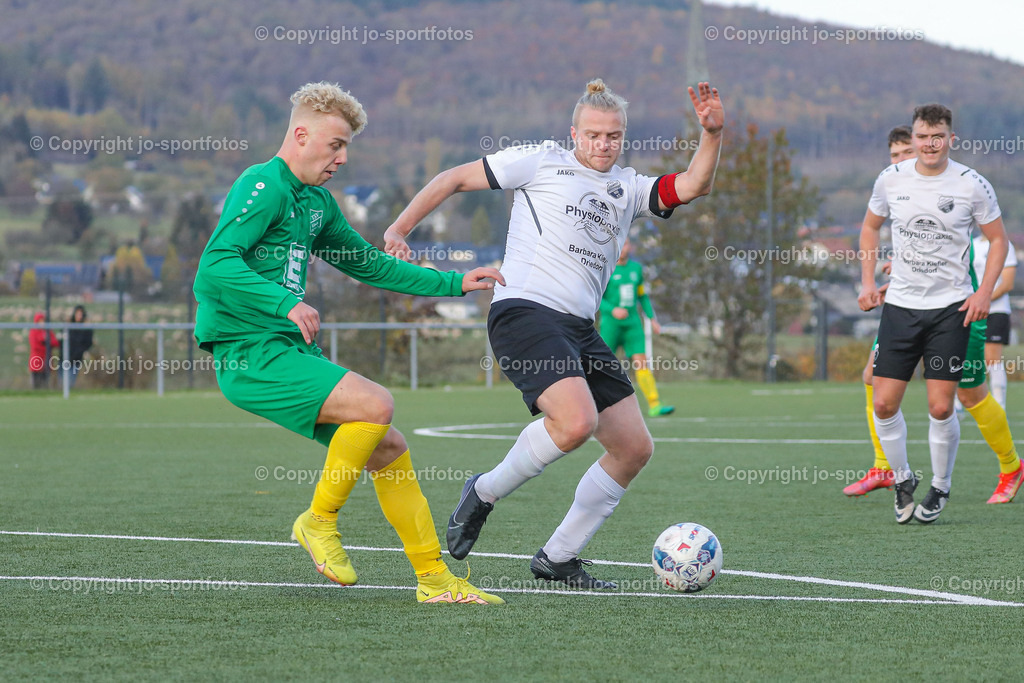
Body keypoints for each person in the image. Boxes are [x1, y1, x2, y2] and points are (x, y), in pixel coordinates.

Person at [385, 79, 723, 587]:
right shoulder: (540, 161)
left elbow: (694, 185)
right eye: (592, 134)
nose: (602, 144)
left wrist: (712, 133)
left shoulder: (629, 188)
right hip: (523, 313)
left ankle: (558, 557)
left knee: (633, 449)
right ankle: (484, 491)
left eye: (612, 136)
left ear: (622, 137)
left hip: (578, 330)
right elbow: (452, 178)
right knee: (574, 423)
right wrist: (398, 229)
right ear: (574, 133)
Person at [193, 81, 505, 605]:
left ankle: (435, 582)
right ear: (300, 134)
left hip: (287, 351)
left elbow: (369, 264)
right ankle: (318, 523)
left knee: (388, 446)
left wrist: (452, 282)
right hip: (249, 353)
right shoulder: (263, 183)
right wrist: (283, 302)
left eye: (346, 148)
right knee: (376, 403)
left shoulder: (317, 203)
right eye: (334, 144)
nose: (341, 157)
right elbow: (215, 264)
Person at [846, 129, 1023, 505]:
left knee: (969, 394)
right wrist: (881, 283)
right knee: (872, 379)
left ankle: (1010, 466)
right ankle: (884, 466)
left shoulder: (955, 187)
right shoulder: (896, 189)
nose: (898, 161)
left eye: (904, 153)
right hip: (905, 311)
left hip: (956, 312)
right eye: (893, 154)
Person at [599, 236, 674, 416]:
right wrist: (612, 309)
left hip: (633, 324)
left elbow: (642, 296)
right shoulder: (605, 267)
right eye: (621, 244)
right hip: (611, 324)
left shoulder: (636, 269)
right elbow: (597, 297)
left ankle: (654, 404)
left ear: (630, 247)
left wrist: (652, 318)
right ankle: (595, 403)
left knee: (642, 362)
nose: (624, 248)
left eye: (626, 244)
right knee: (601, 364)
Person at [972, 233, 1016, 410]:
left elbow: (1007, 283)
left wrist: (983, 300)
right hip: (969, 310)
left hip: (996, 311)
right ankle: (958, 404)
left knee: (992, 360)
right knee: (962, 357)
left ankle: (999, 406)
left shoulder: (1006, 245)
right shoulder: (971, 245)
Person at [29, 312, 59, 389]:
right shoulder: (34, 331)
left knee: (45, 383)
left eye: (43, 321)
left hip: (47, 361)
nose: (42, 323)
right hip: (36, 361)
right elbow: (35, 346)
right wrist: (46, 345)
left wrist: (46, 343)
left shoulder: (48, 331)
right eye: (40, 321)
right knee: (36, 383)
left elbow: (55, 342)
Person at [67, 305, 94, 389]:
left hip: (76, 358)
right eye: (77, 314)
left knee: (71, 383)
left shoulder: (84, 329)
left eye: (80, 314)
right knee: (63, 384)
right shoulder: (69, 327)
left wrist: (80, 351)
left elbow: (88, 342)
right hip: (65, 358)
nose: (79, 316)